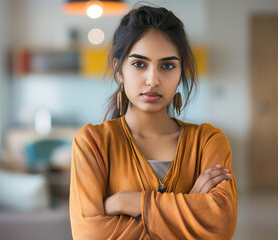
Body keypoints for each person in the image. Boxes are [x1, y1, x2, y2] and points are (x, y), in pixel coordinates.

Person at [69, 5, 237, 240]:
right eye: (139, 64)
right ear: (119, 69)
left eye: (167, 66)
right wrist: (189, 210)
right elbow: (90, 235)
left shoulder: (208, 141)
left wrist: (129, 202)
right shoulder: (92, 143)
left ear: (181, 73)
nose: (153, 80)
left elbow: (220, 224)